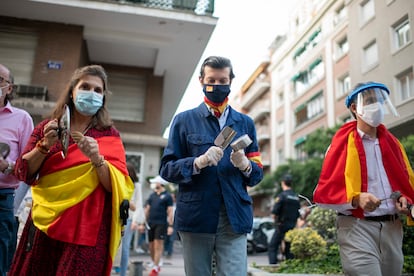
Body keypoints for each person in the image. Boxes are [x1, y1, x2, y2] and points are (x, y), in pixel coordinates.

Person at [8, 64, 134, 276]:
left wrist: (96, 158)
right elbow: (23, 172)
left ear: (103, 97)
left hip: (87, 229)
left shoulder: (109, 135)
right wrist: (45, 145)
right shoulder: (48, 127)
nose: (91, 93)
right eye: (85, 87)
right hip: (45, 223)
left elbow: (116, 186)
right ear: (72, 91)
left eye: (98, 90)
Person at [159, 56, 264, 276]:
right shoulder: (183, 121)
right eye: (211, 80)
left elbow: (257, 175)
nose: (217, 86)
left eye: (223, 80)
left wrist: (246, 166)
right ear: (201, 80)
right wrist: (197, 162)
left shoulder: (246, 123)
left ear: (231, 81)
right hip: (197, 215)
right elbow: (167, 169)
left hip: (233, 214)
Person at [313, 82, 414, 276]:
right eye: (370, 100)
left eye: (380, 100)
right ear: (354, 107)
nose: (377, 105)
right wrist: (356, 199)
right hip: (357, 228)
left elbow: (403, 185)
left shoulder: (394, 145)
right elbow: (325, 196)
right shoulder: (340, 147)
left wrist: (404, 200)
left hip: (393, 229)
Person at [0, 64, 34, 276]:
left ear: (9, 88)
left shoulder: (22, 119)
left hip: (3, 200)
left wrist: (8, 167)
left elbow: (30, 167)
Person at [113, 162, 145, 276]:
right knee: (115, 246)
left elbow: (139, 204)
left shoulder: (137, 185)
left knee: (125, 248)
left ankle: (122, 273)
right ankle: (115, 267)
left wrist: (136, 221)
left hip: (129, 218)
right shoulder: (120, 181)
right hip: (117, 217)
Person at [138, 175, 174, 276]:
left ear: (160, 183)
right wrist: (142, 223)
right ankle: (155, 262)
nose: (153, 184)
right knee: (151, 246)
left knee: (158, 245)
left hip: (161, 224)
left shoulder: (167, 196)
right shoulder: (152, 195)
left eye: (155, 182)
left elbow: (170, 212)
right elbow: (147, 210)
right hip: (150, 224)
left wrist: (171, 226)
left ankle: (156, 267)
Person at [268, 174, 300, 264]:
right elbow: (298, 214)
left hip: (281, 226)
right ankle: (290, 267)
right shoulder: (296, 197)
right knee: (289, 248)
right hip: (292, 226)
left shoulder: (282, 196)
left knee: (272, 246)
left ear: (283, 183)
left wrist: (275, 221)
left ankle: (273, 266)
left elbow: (274, 213)